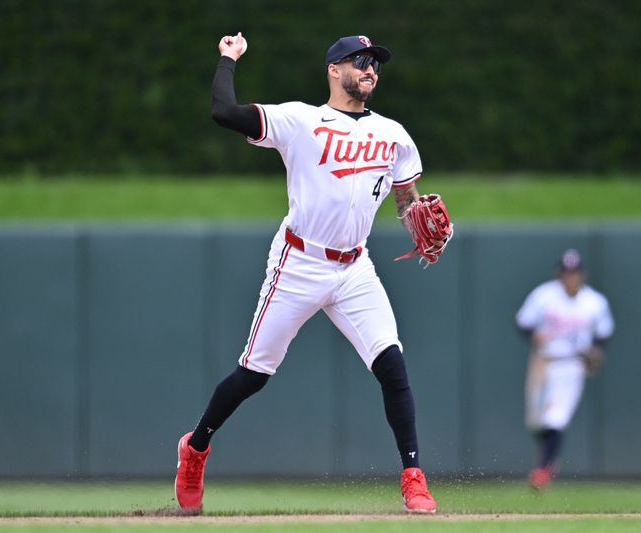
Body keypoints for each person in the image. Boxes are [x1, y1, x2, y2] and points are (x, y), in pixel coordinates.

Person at [174, 32, 451, 514]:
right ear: (334, 69)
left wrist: (418, 225)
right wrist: (227, 59)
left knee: (392, 365)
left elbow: (405, 201)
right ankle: (195, 449)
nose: (371, 70)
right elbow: (223, 112)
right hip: (299, 262)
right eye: (360, 61)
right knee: (254, 373)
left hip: (354, 266)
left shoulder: (394, 135)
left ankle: (412, 476)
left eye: (376, 64)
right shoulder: (301, 119)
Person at [515, 249, 615, 489]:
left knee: (555, 419)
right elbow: (523, 322)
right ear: (559, 274)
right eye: (567, 273)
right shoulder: (544, 296)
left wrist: (596, 350)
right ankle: (547, 458)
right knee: (536, 422)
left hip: (572, 366)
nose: (571, 277)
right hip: (543, 361)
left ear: (582, 275)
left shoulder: (594, 301)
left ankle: (543, 469)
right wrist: (534, 335)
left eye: (575, 273)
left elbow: (604, 332)